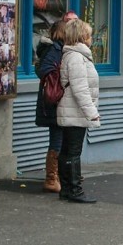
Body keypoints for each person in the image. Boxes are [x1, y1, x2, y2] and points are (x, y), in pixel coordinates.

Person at [56, 18, 101, 203]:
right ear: (83, 37)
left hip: (72, 110)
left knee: (68, 150)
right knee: (73, 151)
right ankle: (74, 190)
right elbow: (80, 88)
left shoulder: (73, 55)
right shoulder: (76, 57)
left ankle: (67, 189)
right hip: (75, 111)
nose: (91, 38)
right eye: (89, 35)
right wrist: (92, 112)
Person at [35, 20, 67, 193]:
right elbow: (44, 70)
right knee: (57, 138)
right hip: (55, 102)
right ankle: (52, 178)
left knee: (59, 138)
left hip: (52, 101)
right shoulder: (55, 50)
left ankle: (56, 176)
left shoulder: (53, 48)